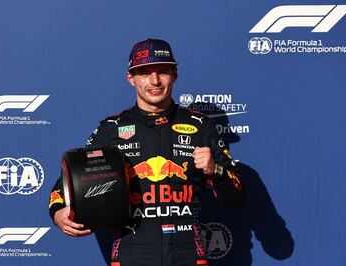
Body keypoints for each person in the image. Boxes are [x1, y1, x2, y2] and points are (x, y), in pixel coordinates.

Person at [49, 38, 244, 266]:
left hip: (187, 254)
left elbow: (237, 196)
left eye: (162, 71)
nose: (154, 81)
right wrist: (58, 213)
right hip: (132, 252)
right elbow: (65, 185)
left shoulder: (201, 126)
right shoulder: (111, 129)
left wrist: (214, 170)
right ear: (130, 78)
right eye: (144, 73)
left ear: (175, 74)